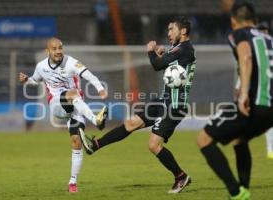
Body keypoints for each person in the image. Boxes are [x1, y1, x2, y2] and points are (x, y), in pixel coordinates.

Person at [79, 17, 196, 194]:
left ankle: (180, 176)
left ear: (184, 31)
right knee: (131, 123)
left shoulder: (185, 49)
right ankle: (95, 145)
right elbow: (170, 64)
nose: (168, 33)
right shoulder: (179, 49)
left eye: (172, 29)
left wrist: (151, 52)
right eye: (168, 30)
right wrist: (162, 53)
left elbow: (157, 65)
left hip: (175, 105)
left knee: (154, 145)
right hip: (163, 101)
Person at [197, 2, 273, 200]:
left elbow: (246, 56)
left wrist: (244, 93)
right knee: (240, 139)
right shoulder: (269, 38)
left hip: (255, 103)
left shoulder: (239, 34)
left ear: (233, 20)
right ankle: (244, 190)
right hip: (270, 108)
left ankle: (235, 192)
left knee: (204, 139)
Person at [19, 37, 108, 193]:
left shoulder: (72, 62)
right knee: (73, 93)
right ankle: (96, 120)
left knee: (76, 143)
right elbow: (35, 81)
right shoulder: (41, 66)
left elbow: (89, 75)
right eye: (54, 49)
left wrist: (100, 88)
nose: (58, 51)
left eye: (60, 48)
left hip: (75, 107)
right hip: (56, 105)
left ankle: (72, 183)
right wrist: (27, 80)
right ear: (48, 51)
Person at [256, 22, 273, 159]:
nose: (263, 33)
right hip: (264, 91)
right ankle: (270, 149)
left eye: (264, 30)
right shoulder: (256, 48)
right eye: (260, 30)